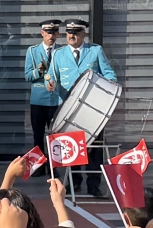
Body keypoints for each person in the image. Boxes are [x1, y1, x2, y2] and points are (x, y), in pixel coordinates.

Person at [49, 20, 115, 196]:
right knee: (73, 148)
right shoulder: (58, 54)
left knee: (95, 149)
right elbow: (51, 75)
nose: (72, 36)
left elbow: (108, 72)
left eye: (76, 32)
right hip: (69, 110)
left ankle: (94, 185)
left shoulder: (95, 51)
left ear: (84, 34)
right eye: (69, 32)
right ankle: (74, 182)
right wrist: (50, 83)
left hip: (93, 108)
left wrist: (112, 82)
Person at [23, 20, 62, 152]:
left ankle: (53, 169)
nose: (51, 36)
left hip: (56, 100)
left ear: (58, 33)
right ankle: (39, 168)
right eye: (48, 33)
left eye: (54, 33)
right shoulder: (32, 51)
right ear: (42, 33)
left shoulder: (62, 51)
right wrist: (38, 71)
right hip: (38, 100)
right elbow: (27, 76)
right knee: (38, 136)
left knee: (55, 137)